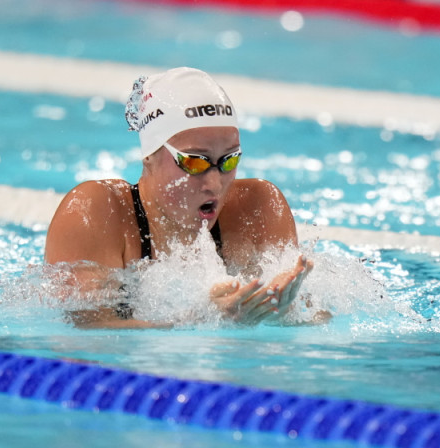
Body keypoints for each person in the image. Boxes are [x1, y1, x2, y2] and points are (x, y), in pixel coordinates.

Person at [44, 67, 316, 328]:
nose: (215, 184)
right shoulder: (95, 213)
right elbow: (83, 332)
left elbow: (316, 319)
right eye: (195, 162)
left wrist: (285, 314)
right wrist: (202, 320)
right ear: (149, 154)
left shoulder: (258, 209)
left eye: (229, 161)